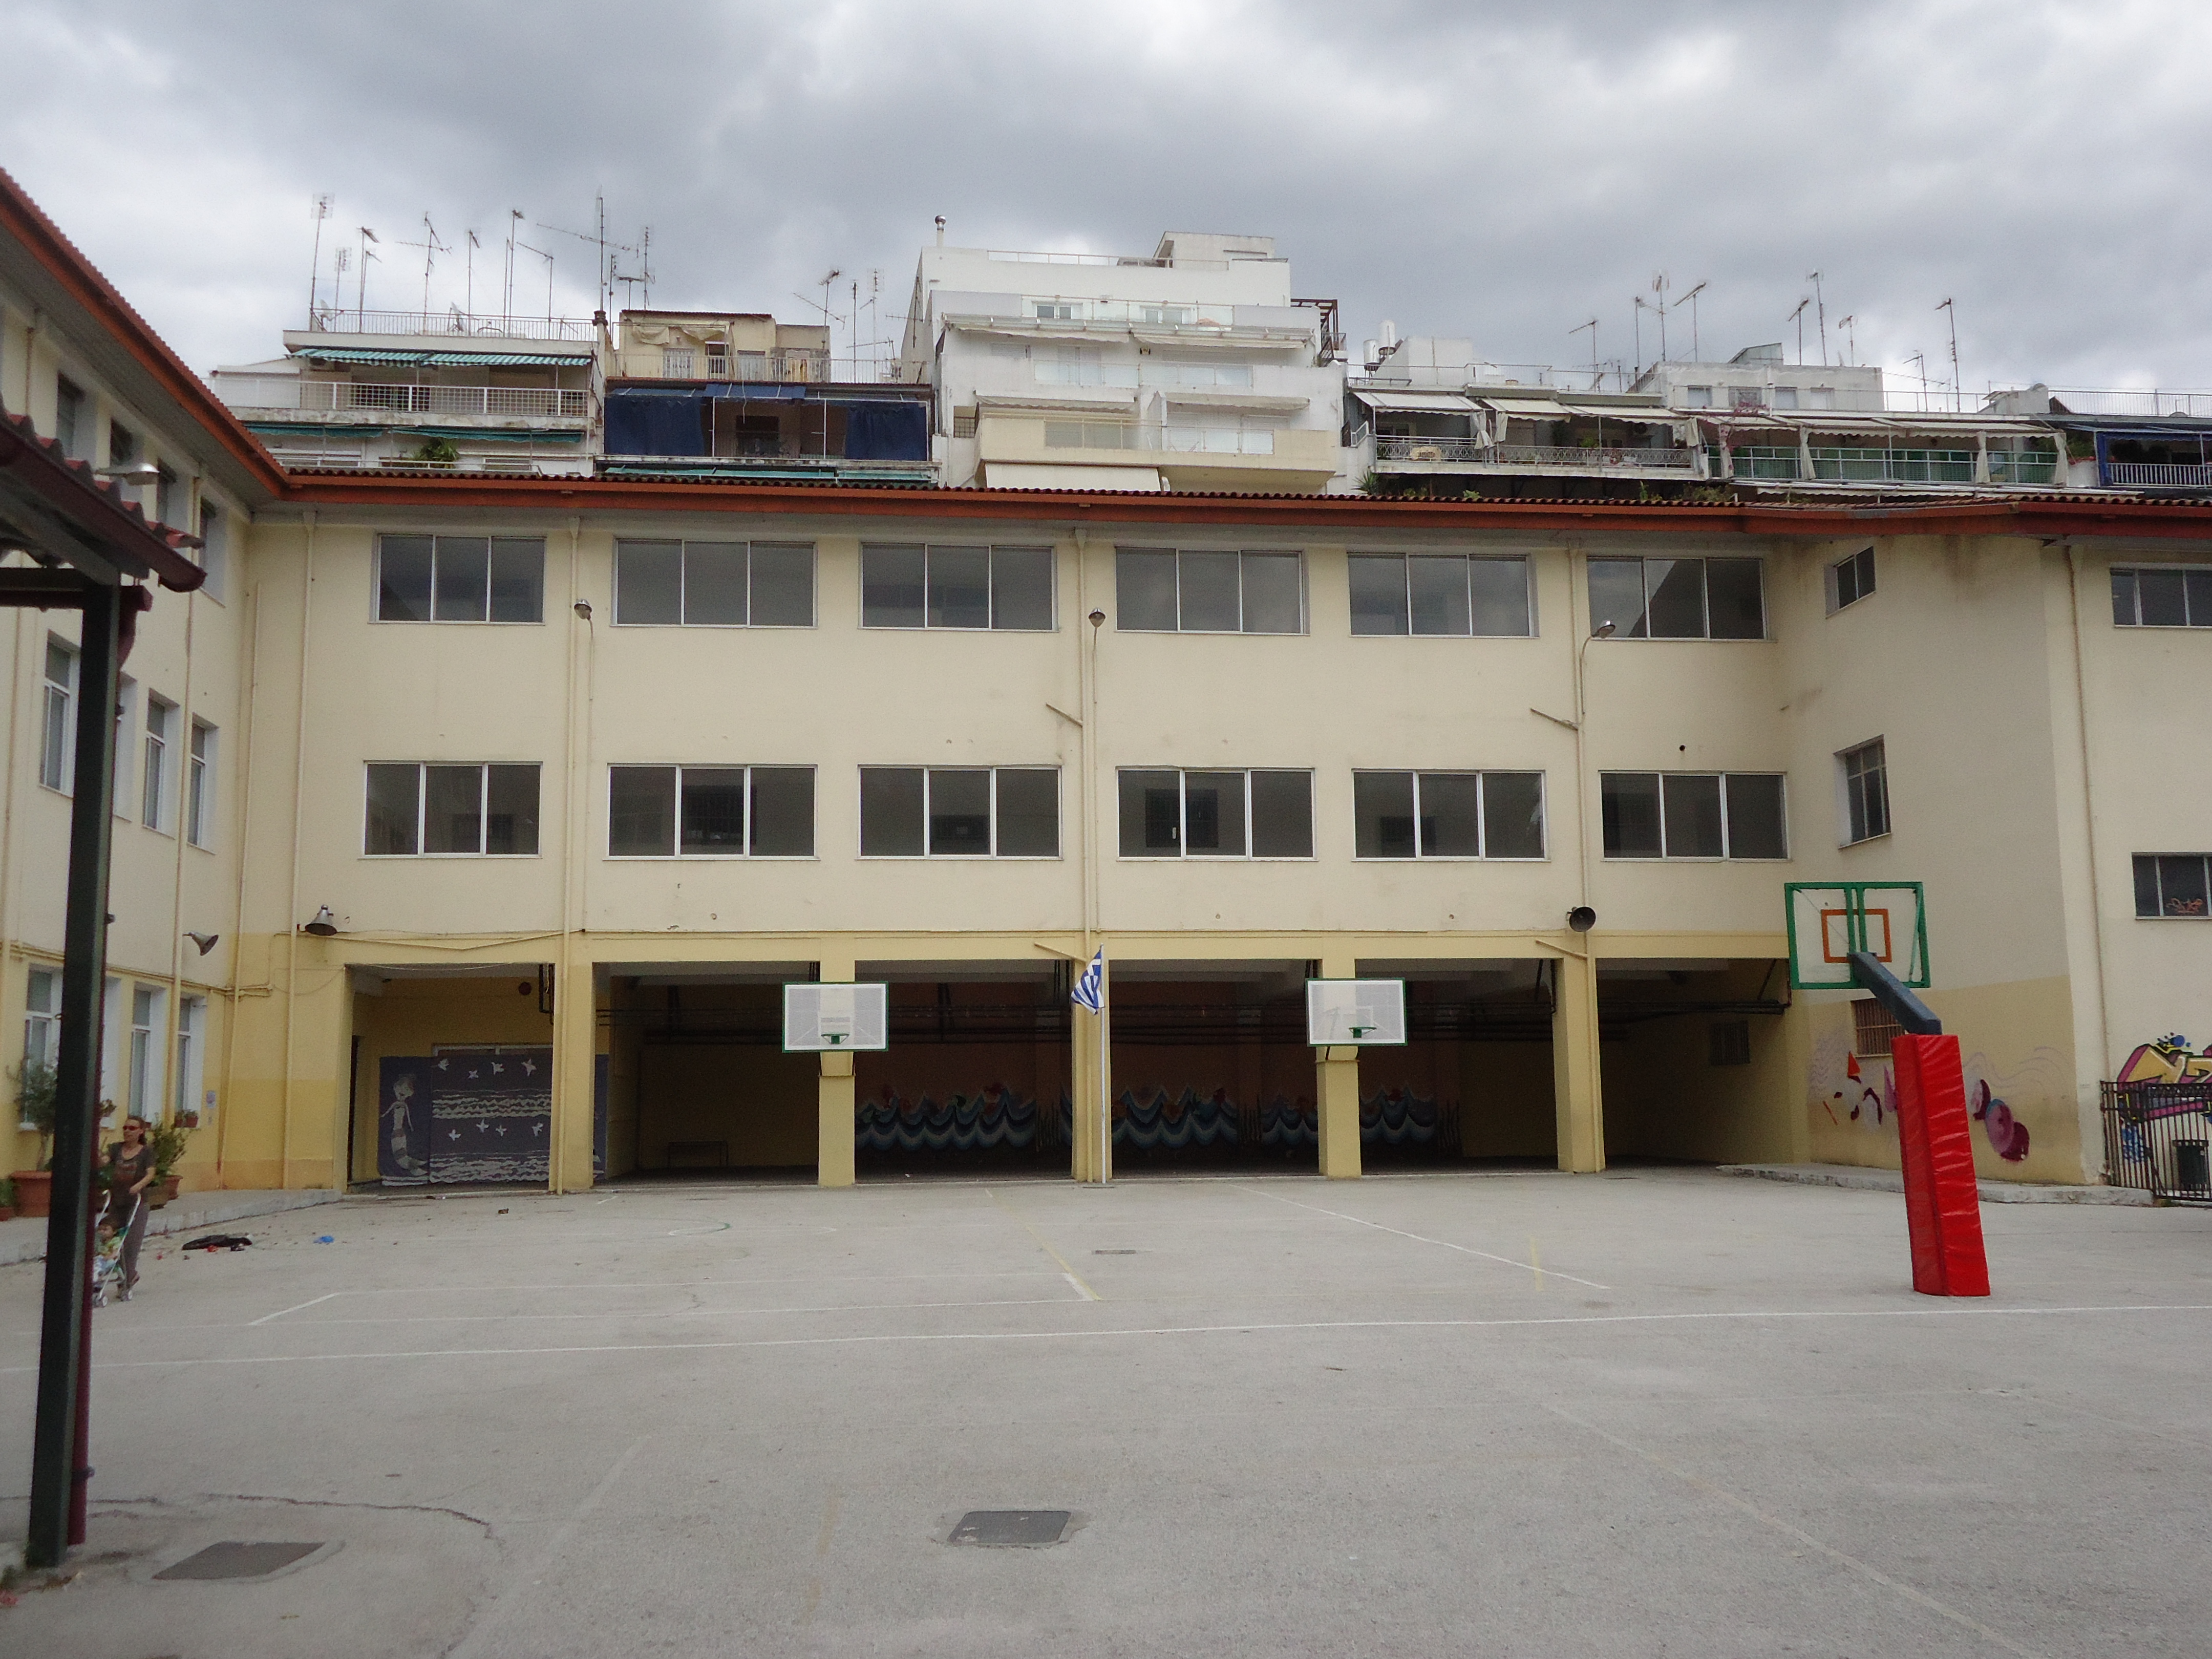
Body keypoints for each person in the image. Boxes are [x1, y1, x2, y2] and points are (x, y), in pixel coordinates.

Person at [103, 1116, 156, 1301]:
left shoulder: (146, 1152)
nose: (127, 1131)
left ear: (141, 1131)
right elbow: (105, 1160)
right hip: (117, 1201)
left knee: (131, 1244)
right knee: (112, 1240)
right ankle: (122, 1275)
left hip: (137, 1203)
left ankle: (126, 1281)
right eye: (125, 1127)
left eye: (132, 1128)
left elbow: (151, 1173)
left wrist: (139, 1186)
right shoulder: (116, 1148)